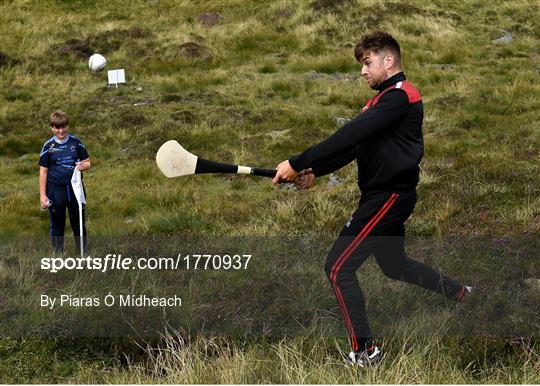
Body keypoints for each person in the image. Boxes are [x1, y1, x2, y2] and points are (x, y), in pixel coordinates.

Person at [273, 31, 472, 367]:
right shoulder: (379, 103)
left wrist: (295, 160)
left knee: (337, 268)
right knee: (394, 266)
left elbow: (349, 133)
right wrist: (312, 169)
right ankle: (461, 294)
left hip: (388, 198)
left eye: (367, 63)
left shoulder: (400, 95)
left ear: (388, 60)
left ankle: (365, 352)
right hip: (386, 197)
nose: (363, 71)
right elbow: (354, 147)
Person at [39, 110, 90, 253]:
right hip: (55, 191)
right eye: (57, 128)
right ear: (52, 128)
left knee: (78, 222)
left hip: (75, 189)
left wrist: (82, 166)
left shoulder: (76, 142)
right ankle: (58, 256)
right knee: (57, 224)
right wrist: (43, 195)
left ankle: (83, 253)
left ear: (68, 126)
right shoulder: (48, 147)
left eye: (63, 127)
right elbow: (43, 172)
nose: (61, 131)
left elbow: (87, 163)